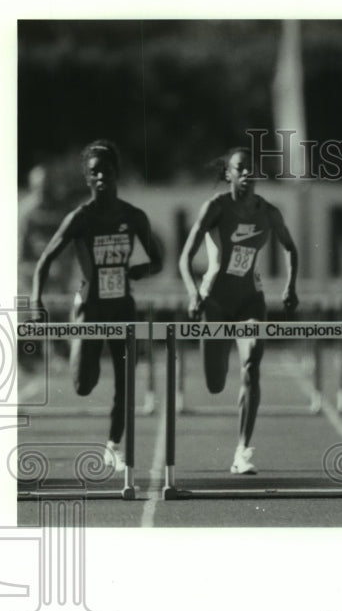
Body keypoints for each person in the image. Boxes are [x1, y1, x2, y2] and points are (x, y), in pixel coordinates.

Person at [31, 140, 163, 470]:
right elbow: (45, 260)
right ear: (87, 179)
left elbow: (157, 261)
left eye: (106, 170)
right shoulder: (81, 217)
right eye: (94, 172)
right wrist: (36, 301)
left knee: (125, 382)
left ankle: (113, 446)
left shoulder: (134, 217)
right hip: (89, 309)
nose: (101, 176)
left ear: (116, 173)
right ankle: (83, 352)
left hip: (122, 308)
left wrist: (137, 270)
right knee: (83, 385)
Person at [179, 147, 299, 474]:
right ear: (228, 174)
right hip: (214, 300)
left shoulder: (268, 211)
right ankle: (220, 361)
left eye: (252, 169)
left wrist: (290, 286)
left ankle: (242, 450)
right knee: (215, 383)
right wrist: (193, 294)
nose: (247, 174)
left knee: (252, 362)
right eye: (240, 169)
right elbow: (184, 258)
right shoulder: (216, 207)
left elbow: (290, 248)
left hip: (249, 299)